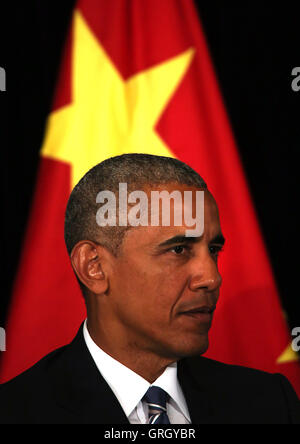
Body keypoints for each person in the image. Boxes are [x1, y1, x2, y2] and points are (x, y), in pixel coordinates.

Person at [0, 153, 299, 424]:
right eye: (179, 250)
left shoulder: (270, 403)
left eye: (213, 250)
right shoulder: (16, 412)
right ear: (95, 266)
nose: (211, 278)